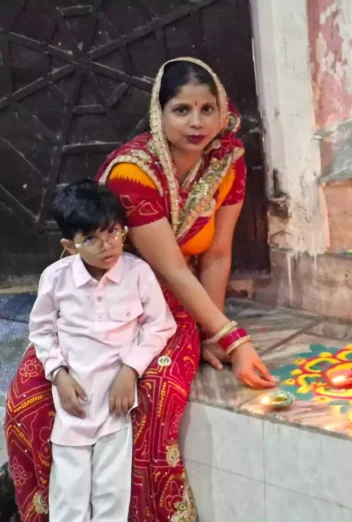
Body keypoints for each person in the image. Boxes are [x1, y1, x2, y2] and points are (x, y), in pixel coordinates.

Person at [4, 57, 275, 522]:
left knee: (149, 404)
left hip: (163, 305)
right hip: (114, 288)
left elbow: (217, 255)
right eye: (181, 110)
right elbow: (169, 268)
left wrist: (214, 330)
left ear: (222, 110)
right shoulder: (135, 173)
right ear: (159, 113)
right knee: (28, 403)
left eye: (207, 109)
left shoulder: (228, 158)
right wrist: (235, 338)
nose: (196, 122)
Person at [32, 180, 176, 521]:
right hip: (74, 405)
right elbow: (41, 330)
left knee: (112, 498)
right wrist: (58, 375)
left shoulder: (137, 273)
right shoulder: (55, 278)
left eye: (113, 232)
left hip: (116, 406)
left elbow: (160, 325)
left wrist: (130, 370)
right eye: (91, 239)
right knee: (69, 500)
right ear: (70, 245)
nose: (107, 246)